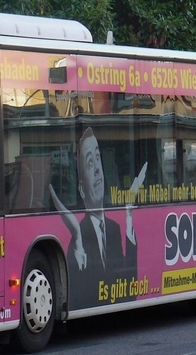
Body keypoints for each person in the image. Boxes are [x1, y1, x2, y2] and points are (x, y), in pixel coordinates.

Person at [49, 128, 138, 310]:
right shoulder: (78, 239)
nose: (97, 169)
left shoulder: (113, 228)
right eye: (90, 163)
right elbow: (79, 295)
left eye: (98, 158)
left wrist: (129, 223)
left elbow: (128, 285)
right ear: (81, 190)